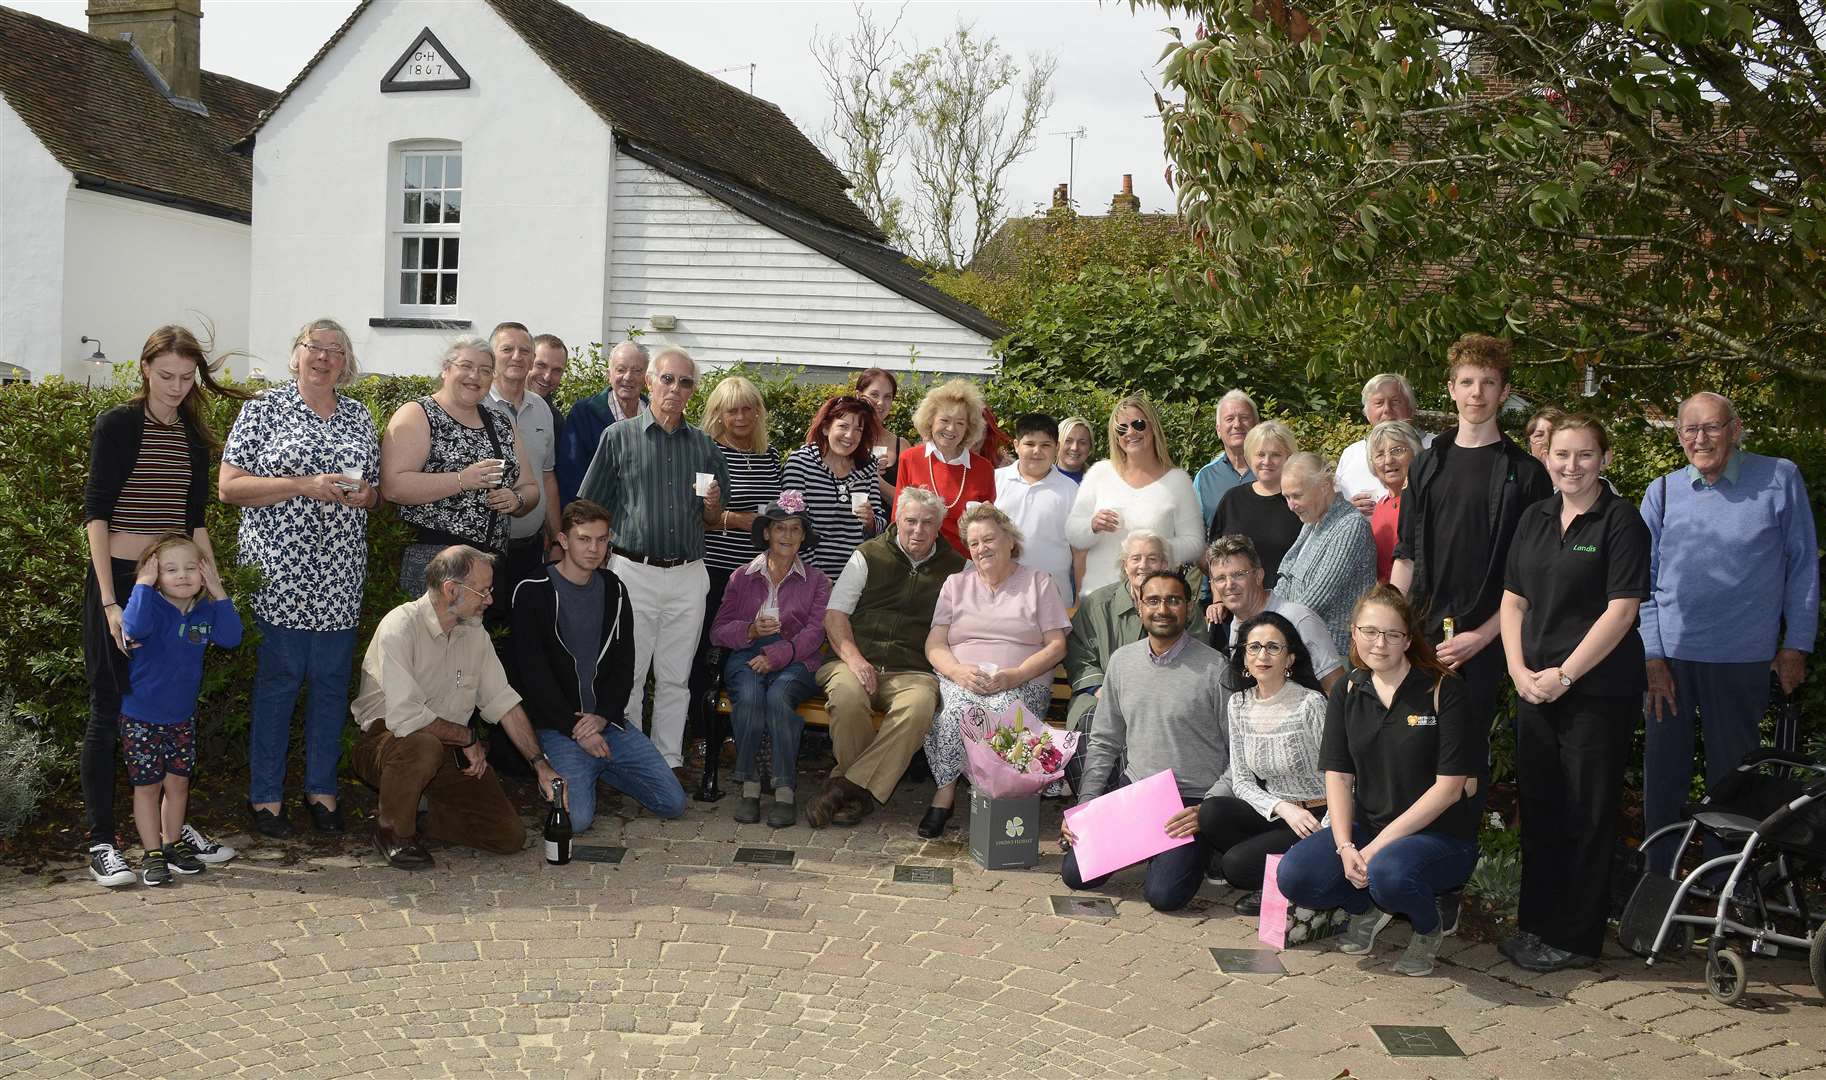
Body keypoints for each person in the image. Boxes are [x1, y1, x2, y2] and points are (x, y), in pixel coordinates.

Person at [82, 325, 246, 887]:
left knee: (172, 709)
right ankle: (104, 841)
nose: (176, 387)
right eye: (166, 375)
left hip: (179, 585)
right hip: (123, 582)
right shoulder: (119, 425)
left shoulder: (194, 436)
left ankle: (171, 834)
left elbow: (195, 525)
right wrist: (109, 600)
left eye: (186, 377)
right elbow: (97, 515)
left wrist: (214, 588)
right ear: (145, 368)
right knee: (111, 709)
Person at [1639, 392, 1817, 865]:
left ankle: (1726, 890)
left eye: (1713, 427)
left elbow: (1802, 566)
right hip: (1670, 661)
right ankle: (1660, 883)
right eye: (1690, 430)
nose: (1702, 439)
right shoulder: (1662, 491)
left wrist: (1796, 643)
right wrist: (1652, 656)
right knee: (1664, 779)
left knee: (1732, 784)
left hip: (1743, 658)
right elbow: (1640, 583)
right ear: (1678, 437)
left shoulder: (1779, 478)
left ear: (1735, 430)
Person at [1499, 414, 1650, 971]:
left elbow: (1622, 610)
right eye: (1562, 455)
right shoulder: (1535, 516)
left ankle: (1575, 939)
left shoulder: (1621, 522)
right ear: (1547, 458)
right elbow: (1513, 599)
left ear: (1604, 460)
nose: (1572, 466)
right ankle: (1536, 924)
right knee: (1540, 808)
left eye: (1585, 455)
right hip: (1533, 687)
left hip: (1595, 693)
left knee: (1587, 812)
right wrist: (1519, 671)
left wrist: (1565, 675)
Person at [220, 317, 380, 838]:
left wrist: (363, 495)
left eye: (336, 351)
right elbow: (229, 487)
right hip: (279, 572)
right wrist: (302, 485)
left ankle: (322, 789)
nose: (324, 358)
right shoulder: (261, 409)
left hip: (339, 573)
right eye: (315, 347)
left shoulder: (359, 417)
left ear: (345, 363)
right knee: (278, 686)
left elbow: (376, 493)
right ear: (296, 354)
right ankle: (265, 796)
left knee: (332, 687)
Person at [1275, 585, 1487, 978]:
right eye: (1370, 631)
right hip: (1368, 826)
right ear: (1353, 633)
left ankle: (1426, 929)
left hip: (1440, 836)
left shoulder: (1443, 690)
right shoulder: (1349, 689)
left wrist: (1372, 851)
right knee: (1295, 876)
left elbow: (1449, 789)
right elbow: (1338, 775)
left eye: (1392, 634)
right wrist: (1344, 846)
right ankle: (1366, 908)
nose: (1380, 643)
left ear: (1408, 640)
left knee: (1389, 873)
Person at [351, 546, 566, 870]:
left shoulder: (475, 633)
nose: (490, 599)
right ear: (451, 589)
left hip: (447, 749)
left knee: (508, 837)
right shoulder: (400, 626)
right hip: (388, 744)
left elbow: (503, 702)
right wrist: (467, 738)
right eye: (483, 591)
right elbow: (407, 718)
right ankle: (392, 832)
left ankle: (422, 814)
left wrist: (541, 765)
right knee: (422, 745)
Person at [1391, 333, 1551, 740]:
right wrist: (1393, 626)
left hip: (1488, 638)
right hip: (1422, 633)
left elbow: (1535, 578)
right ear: (1451, 389)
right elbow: (1406, 556)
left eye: (1488, 383)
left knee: (1463, 755)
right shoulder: (1425, 465)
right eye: (1466, 382)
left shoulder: (1527, 476)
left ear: (1504, 391)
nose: (1476, 393)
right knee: (1415, 740)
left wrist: (1480, 637)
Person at [578, 346, 728, 773]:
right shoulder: (618, 437)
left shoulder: (704, 446)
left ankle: (667, 762)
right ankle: (629, 764)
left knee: (676, 677)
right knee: (629, 675)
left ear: (693, 391)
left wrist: (713, 505)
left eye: (684, 382)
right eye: (667, 379)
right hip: (631, 571)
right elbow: (590, 507)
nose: (675, 389)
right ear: (650, 382)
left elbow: (714, 519)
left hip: (687, 573)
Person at [510, 500, 686, 830]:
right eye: (584, 539)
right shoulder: (533, 591)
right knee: (574, 822)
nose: (594, 549)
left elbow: (625, 665)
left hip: (607, 723)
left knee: (672, 803)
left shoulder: (614, 589)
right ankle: (578, 767)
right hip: (559, 727)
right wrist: (574, 728)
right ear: (563, 540)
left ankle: (601, 765)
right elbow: (531, 675)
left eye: (602, 540)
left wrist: (604, 716)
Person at [1061, 570, 1231, 912]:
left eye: (1173, 600)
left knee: (1164, 897)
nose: (1162, 609)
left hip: (1190, 803)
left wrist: (1208, 811)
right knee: (1076, 875)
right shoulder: (1122, 662)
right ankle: (1152, 847)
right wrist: (1086, 809)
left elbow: (1239, 755)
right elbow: (1105, 741)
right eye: (1153, 600)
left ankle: (1203, 845)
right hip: (1138, 794)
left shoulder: (1216, 670)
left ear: (1188, 608)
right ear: (1139, 607)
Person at [804, 489, 966, 828]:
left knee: (920, 706)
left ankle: (846, 787)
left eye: (927, 523)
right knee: (847, 699)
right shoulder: (868, 555)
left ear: (939, 527)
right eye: (910, 521)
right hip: (854, 660)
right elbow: (835, 615)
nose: (918, 530)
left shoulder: (957, 568)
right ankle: (860, 792)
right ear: (897, 519)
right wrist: (855, 659)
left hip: (913, 669)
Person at [919, 505, 1071, 838]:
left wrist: (1014, 675)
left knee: (1001, 710)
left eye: (989, 539)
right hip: (962, 680)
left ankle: (993, 794)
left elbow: (1057, 646)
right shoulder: (955, 584)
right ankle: (945, 792)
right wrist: (957, 672)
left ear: (1010, 540)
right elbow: (935, 644)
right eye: (974, 543)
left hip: (1022, 683)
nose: (981, 548)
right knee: (953, 710)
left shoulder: (1038, 582)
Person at [116, 534, 243, 885]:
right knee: (147, 787)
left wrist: (219, 593)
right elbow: (135, 628)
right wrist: (142, 585)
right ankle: (152, 852)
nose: (182, 575)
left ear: (203, 573)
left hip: (181, 717)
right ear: (155, 575)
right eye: (170, 569)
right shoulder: (150, 606)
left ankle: (172, 844)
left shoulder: (205, 611)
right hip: (141, 716)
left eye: (191, 568)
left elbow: (232, 637)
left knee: (178, 784)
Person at [381, 336, 540, 600]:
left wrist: (517, 499)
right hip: (435, 561)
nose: (474, 376)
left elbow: (530, 487)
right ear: (446, 369)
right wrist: (461, 480)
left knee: (479, 641)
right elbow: (393, 487)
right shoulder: (418, 414)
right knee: (432, 638)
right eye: (466, 366)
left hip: (489, 564)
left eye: (485, 370)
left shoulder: (501, 422)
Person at [710, 493, 832, 827]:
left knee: (778, 696)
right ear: (767, 533)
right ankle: (749, 786)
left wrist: (775, 654)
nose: (787, 536)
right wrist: (750, 631)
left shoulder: (818, 581)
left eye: (795, 529)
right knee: (748, 696)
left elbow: (814, 634)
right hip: (747, 655)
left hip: (796, 659)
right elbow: (718, 630)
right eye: (780, 528)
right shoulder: (741, 576)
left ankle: (784, 790)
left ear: (803, 536)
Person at [1198, 612, 1328, 915]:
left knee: (1235, 865)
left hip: (1317, 815)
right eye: (1254, 647)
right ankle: (1277, 874)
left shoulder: (1311, 703)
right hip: (1278, 811)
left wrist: (1329, 830)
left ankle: (1287, 877)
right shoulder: (1239, 704)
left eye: (1273, 647)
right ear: (1244, 658)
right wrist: (1282, 808)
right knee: (1212, 812)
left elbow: (1342, 776)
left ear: (1290, 658)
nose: (1262, 655)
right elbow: (1242, 781)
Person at [690, 376, 784, 764]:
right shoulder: (707, 454)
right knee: (704, 654)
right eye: (733, 409)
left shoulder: (771, 456)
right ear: (718, 413)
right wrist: (740, 520)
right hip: (714, 569)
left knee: (744, 653)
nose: (741, 416)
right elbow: (700, 516)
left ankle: (733, 735)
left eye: (748, 408)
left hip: (757, 575)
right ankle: (701, 736)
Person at [1064, 531, 1210, 756]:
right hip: (1100, 697)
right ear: (1124, 565)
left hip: (1165, 700)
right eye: (1136, 558)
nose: (1143, 565)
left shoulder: (1183, 606)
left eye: (1153, 558)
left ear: (1164, 564)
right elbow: (1079, 653)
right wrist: (1101, 690)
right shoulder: (1097, 604)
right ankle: (1098, 791)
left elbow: (1197, 657)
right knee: (1094, 725)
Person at [1066, 395, 1204, 596]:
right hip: (1100, 597)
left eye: (1138, 424)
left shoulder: (1178, 480)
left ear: (1153, 427)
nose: (1130, 432)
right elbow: (1073, 533)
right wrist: (1092, 525)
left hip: (1153, 599)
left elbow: (1195, 543)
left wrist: (1156, 548)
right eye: (1122, 428)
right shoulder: (1100, 472)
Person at [1203, 535, 1344, 692]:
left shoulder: (1298, 619)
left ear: (1258, 576)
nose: (1229, 585)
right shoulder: (1236, 624)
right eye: (1221, 578)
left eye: (1239, 575)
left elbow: (1337, 690)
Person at [484, 322, 563, 599]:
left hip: (530, 549)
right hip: (482, 550)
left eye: (524, 350)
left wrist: (556, 539)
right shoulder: (475, 405)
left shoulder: (542, 409)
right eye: (507, 349)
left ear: (532, 359)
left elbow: (547, 477)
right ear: (491, 355)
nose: (517, 356)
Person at [1277, 453, 1377, 653]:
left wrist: (1272, 629)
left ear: (1324, 486)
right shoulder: (1312, 520)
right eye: (1286, 497)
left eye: (1296, 495)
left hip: (1334, 652)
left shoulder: (1351, 525)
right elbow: (1286, 576)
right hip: (1304, 646)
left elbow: (1318, 596)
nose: (1291, 505)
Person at [783, 395, 886, 581]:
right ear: (825, 427)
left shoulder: (868, 466)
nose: (850, 436)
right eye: (843, 426)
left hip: (856, 576)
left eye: (858, 430)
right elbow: (790, 524)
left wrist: (870, 522)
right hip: (806, 576)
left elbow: (880, 526)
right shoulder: (800, 462)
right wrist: (817, 579)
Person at [896, 378, 995, 557]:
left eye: (960, 423)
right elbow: (897, 518)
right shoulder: (910, 459)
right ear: (930, 420)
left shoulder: (983, 468)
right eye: (944, 420)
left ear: (968, 428)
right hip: (917, 562)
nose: (951, 429)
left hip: (964, 565)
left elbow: (987, 528)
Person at [993, 413, 1077, 605]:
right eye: (1029, 444)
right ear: (1016, 445)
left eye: (1045, 445)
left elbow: (1079, 552)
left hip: (1053, 597)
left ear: (1056, 448)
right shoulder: (994, 480)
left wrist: (1080, 599)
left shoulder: (1071, 489)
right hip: (1000, 594)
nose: (1037, 451)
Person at [1207, 420, 1302, 587]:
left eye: (1276, 455)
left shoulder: (1299, 502)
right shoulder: (1232, 500)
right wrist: (1218, 600)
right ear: (1250, 457)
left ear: (1288, 458)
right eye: (1260, 454)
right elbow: (1214, 558)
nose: (1267, 461)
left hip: (1286, 605)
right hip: (1236, 604)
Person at [557, 340, 648, 506]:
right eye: (621, 369)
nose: (628, 377)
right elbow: (570, 474)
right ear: (609, 374)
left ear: (646, 377)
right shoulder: (584, 413)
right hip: (596, 519)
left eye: (637, 371)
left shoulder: (655, 416)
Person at [1335, 374, 1430, 514]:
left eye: (1396, 401)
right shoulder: (1351, 454)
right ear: (1367, 413)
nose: (1387, 409)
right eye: (1379, 403)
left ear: (1411, 408)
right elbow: (1332, 508)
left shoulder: (1435, 447)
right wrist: (1347, 510)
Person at [1366, 420, 1423, 583]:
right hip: (1386, 600)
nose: (1388, 460)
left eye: (1397, 450)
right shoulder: (1380, 506)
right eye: (1379, 454)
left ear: (1416, 452)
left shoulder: (1425, 502)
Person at [1193, 389, 1259, 524]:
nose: (1237, 424)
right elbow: (1196, 531)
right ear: (1218, 430)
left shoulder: (1273, 470)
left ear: (1257, 426)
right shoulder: (1205, 477)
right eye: (1229, 419)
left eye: (1244, 418)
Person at [855, 367, 912, 507]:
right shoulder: (845, 440)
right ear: (858, 395)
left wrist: (875, 479)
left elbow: (909, 505)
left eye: (887, 397)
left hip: (888, 527)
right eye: (874, 394)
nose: (880, 402)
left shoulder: (902, 446)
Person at [529, 332, 569, 448]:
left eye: (556, 370)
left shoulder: (555, 422)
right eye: (541, 365)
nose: (547, 376)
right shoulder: (490, 406)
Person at [1056, 417, 1094, 484]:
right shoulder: (1040, 479)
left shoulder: (1098, 484)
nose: (1075, 448)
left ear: (1090, 447)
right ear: (1056, 444)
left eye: (1082, 442)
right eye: (1068, 441)